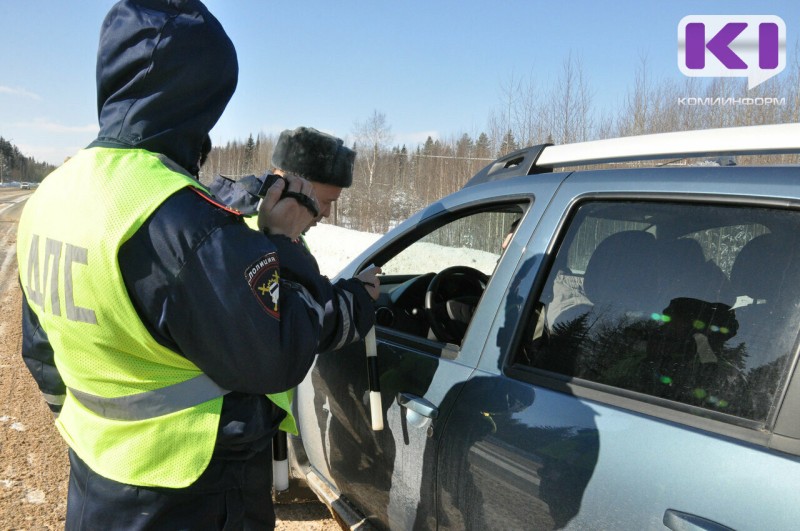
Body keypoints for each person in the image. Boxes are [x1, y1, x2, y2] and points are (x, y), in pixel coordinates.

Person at [16, 1, 378, 529]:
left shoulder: (51, 196)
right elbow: (276, 355)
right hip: (192, 495)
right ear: (200, 95)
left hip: (96, 485)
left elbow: (40, 351)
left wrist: (84, 429)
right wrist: (283, 242)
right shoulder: (187, 223)